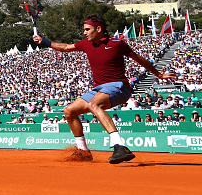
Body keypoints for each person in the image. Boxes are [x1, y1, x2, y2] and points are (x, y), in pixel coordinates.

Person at [33, 14, 176, 164]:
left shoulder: (117, 43)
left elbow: (139, 59)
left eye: (87, 29)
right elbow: (66, 47)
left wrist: (158, 74)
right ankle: (84, 152)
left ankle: (120, 145)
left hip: (119, 86)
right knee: (69, 111)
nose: (84, 32)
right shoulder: (86, 44)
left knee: (93, 104)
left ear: (98, 29)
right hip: (99, 88)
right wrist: (44, 41)